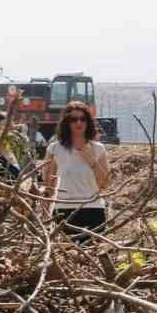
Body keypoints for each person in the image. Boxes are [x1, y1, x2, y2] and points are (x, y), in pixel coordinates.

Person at [42, 101, 111, 236]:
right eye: (74, 119)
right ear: (67, 123)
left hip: (93, 210)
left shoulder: (98, 149)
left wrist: (91, 160)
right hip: (63, 211)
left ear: (88, 122)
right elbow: (48, 187)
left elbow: (105, 184)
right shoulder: (55, 149)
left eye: (83, 119)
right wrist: (46, 217)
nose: (79, 122)